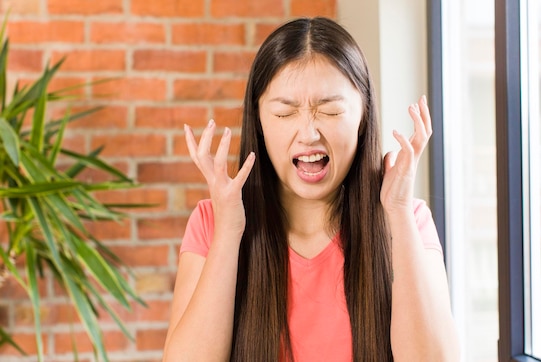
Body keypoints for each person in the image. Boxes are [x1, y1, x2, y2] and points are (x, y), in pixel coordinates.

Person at [163, 17, 459, 362]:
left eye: (330, 110)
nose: (308, 133)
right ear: (258, 120)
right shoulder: (212, 222)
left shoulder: (408, 219)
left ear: (363, 115)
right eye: (285, 113)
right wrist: (229, 232)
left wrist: (398, 213)